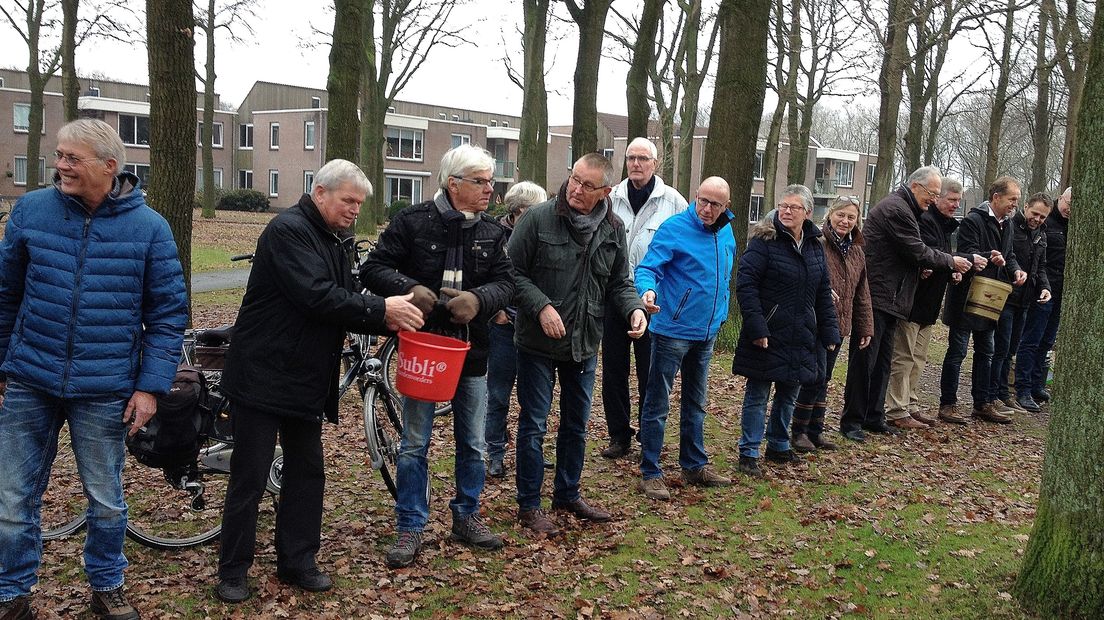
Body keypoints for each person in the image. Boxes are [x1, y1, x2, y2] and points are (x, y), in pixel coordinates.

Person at [0, 119, 188, 620]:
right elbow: (5, 295)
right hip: (30, 380)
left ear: (109, 166)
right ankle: (12, 595)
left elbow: (168, 316)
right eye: (58, 155)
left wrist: (150, 388)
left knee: (106, 501)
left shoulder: (150, 229)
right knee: (12, 501)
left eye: (72, 158)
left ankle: (107, 586)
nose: (60, 165)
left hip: (105, 387)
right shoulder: (31, 212)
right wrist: (2, 364)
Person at [216, 159, 424, 602]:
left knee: (307, 472)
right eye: (348, 200)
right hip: (262, 373)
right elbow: (315, 296)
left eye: (360, 204)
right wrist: (383, 312)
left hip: (305, 376)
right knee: (249, 477)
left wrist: (390, 310)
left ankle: (298, 560)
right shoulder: (287, 230)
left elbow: (346, 294)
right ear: (321, 192)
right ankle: (233, 570)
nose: (354, 210)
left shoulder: (337, 237)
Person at [360, 145, 515, 569]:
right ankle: (410, 523)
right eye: (481, 182)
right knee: (414, 441)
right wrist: (409, 287)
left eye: (492, 182)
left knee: (475, 442)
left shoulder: (493, 232)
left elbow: (508, 283)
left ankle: (467, 515)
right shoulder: (411, 223)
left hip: (473, 352)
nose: (490, 191)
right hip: (423, 349)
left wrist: (479, 300)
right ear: (453, 184)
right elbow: (372, 268)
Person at [509, 153, 647, 536]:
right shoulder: (537, 219)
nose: (576, 189)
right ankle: (529, 505)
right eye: (574, 179)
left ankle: (567, 493)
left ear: (606, 191)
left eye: (587, 185)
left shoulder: (613, 228)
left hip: (584, 342)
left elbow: (619, 282)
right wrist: (540, 307)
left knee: (576, 425)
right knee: (534, 425)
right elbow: (511, 272)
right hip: (537, 342)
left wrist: (635, 309)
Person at [839, 166, 972, 442]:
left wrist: (920, 268)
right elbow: (915, 249)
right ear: (915, 187)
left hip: (893, 298)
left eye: (937, 195)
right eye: (931, 194)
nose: (933, 200)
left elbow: (907, 255)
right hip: (876, 296)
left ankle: (874, 416)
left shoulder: (908, 209)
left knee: (884, 362)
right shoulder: (897, 210)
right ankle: (852, 420)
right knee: (865, 360)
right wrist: (951, 261)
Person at [634, 177, 737, 500]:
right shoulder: (674, 228)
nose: (706, 209)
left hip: (706, 332)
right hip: (671, 331)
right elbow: (648, 268)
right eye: (701, 201)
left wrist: (720, 315)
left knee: (696, 402)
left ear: (726, 207)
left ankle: (694, 465)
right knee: (658, 402)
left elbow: (723, 276)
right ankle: (650, 471)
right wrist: (647, 291)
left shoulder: (727, 232)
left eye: (714, 204)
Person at [732, 185, 840, 478]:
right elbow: (746, 286)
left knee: (789, 392)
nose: (787, 211)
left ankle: (779, 444)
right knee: (758, 394)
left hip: (801, 333)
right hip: (767, 331)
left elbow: (822, 293)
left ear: (807, 212)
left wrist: (831, 332)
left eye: (794, 207)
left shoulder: (816, 246)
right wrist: (756, 326)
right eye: (783, 205)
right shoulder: (763, 241)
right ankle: (749, 451)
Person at [600, 137, 687, 460]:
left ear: (655, 163)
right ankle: (618, 435)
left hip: (655, 299)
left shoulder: (673, 202)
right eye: (630, 158)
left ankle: (649, 434)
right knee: (613, 369)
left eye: (642, 159)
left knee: (650, 372)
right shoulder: (611, 198)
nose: (636, 164)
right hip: (614, 296)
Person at [884, 179, 981, 426]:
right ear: (937, 198)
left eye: (958, 201)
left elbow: (939, 259)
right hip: (912, 302)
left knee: (918, 358)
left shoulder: (945, 226)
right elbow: (926, 254)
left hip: (929, 303)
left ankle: (911, 403)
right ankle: (896, 408)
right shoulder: (925, 221)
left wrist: (951, 271)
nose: (955, 205)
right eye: (951, 199)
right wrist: (953, 263)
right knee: (903, 357)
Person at [939, 176, 1027, 425]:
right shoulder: (972, 220)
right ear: (996, 197)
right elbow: (965, 253)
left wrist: (1016, 269)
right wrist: (990, 256)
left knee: (986, 351)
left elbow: (1009, 255)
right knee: (957, 351)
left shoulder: (1007, 225)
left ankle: (982, 403)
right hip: (966, 297)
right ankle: (948, 404)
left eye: (1017, 201)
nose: (1014, 205)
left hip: (990, 298)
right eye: (1012, 199)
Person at [792, 196, 873, 451]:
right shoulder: (816, 243)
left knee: (825, 377)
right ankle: (798, 431)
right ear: (830, 215)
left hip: (840, 324)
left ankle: (816, 430)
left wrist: (865, 327)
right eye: (841, 215)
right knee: (812, 377)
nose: (845, 221)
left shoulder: (857, 251)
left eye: (851, 217)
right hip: (814, 321)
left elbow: (862, 292)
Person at [484, 181, 549, 479]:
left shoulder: (544, 234)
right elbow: (484, 278)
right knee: (498, 393)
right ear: (519, 211)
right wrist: (496, 313)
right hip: (504, 327)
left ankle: (532, 449)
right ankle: (495, 451)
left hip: (535, 328)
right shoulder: (495, 237)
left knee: (535, 396)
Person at [992, 193, 1052, 413]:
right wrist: (1015, 271)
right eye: (1035, 213)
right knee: (1001, 346)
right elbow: (1007, 256)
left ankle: (1003, 393)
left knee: (1011, 349)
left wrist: (1045, 287)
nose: (1037, 219)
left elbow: (1041, 266)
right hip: (1007, 295)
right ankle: (994, 393)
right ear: (1025, 207)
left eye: (1043, 217)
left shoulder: (1041, 235)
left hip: (1026, 300)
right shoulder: (1011, 226)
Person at [1016, 187, 1070, 412]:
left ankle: (1038, 383)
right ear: (1061, 198)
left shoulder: (1072, 225)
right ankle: (1023, 388)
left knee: (1047, 341)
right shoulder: (1046, 225)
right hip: (1042, 290)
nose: (1069, 209)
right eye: (1068, 202)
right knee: (1032, 339)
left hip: (1061, 292)